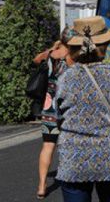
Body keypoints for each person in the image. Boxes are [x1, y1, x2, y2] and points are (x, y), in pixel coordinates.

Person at [56, 16, 110, 202]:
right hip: (107, 159)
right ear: (105, 44)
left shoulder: (64, 78)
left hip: (73, 158)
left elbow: (59, 116)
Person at [35, 28, 75, 200]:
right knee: (71, 142)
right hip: (68, 105)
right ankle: (72, 178)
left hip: (49, 105)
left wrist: (48, 52)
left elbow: (36, 60)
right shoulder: (72, 55)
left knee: (48, 145)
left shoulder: (51, 53)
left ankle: (42, 185)